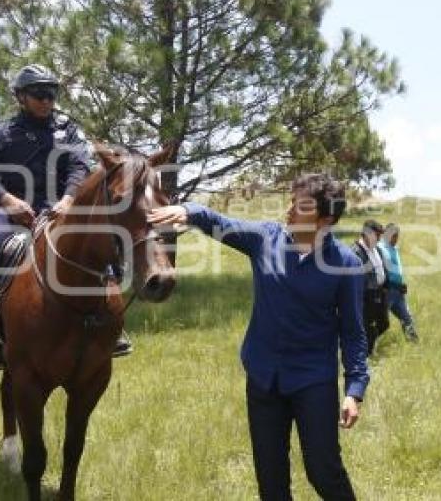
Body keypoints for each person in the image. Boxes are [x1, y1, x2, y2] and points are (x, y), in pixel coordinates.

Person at [148, 174, 369, 500]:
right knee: (271, 483)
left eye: (301, 207)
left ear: (325, 220)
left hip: (313, 381)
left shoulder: (346, 264)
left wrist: (355, 389)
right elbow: (218, 221)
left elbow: (353, 332)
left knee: (324, 473)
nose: (290, 210)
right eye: (292, 201)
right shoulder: (266, 238)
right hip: (264, 378)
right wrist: (188, 211)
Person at [0, 63, 130, 368]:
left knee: (107, 243)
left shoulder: (67, 131)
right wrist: (8, 201)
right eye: (39, 94)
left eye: (51, 94)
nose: (47, 100)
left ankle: (112, 325)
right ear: (20, 97)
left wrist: (70, 199)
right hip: (12, 211)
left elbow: (79, 166)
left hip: (61, 209)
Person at [351, 220, 389, 355]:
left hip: (380, 295)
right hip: (366, 298)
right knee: (366, 328)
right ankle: (366, 355)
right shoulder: (355, 252)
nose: (378, 239)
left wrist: (386, 286)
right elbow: (356, 278)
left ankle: (369, 342)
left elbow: (383, 269)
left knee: (384, 324)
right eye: (376, 236)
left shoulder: (377, 249)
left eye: (380, 236)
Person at [378, 224, 418, 343]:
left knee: (407, 319)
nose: (395, 239)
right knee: (381, 321)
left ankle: (414, 344)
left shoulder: (395, 249)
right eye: (393, 236)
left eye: (397, 236)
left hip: (398, 292)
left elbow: (395, 270)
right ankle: (370, 347)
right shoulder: (379, 249)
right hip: (386, 292)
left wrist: (401, 283)